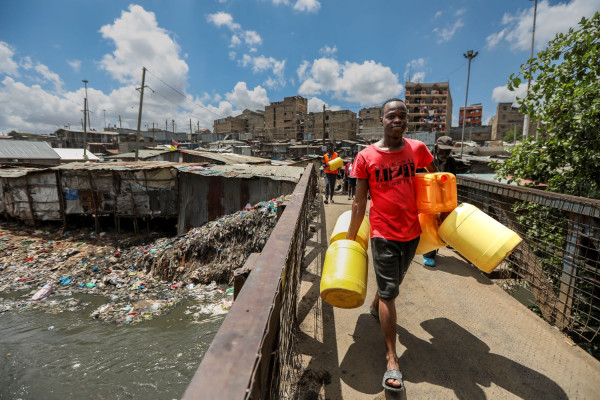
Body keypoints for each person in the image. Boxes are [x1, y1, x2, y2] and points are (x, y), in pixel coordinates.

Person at [346, 98, 437, 392]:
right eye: (391, 116)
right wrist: (350, 239)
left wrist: (440, 212)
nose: (397, 120)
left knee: (393, 283)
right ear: (381, 121)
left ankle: (376, 304)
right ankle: (391, 358)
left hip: (412, 232)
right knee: (390, 294)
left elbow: (434, 178)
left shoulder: (417, 150)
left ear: (406, 121)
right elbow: (360, 203)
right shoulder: (365, 157)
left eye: (402, 116)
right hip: (382, 233)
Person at [422, 135, 457, 267]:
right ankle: (427, 251)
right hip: (428, 195)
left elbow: (453, 180)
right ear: (436, 148)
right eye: (443, 150)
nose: (445, 153)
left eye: (448, 151)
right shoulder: (427, 158)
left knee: (440, 224)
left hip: (443, 197)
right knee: (429, 223)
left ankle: (432, 250)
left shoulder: (452, 162)